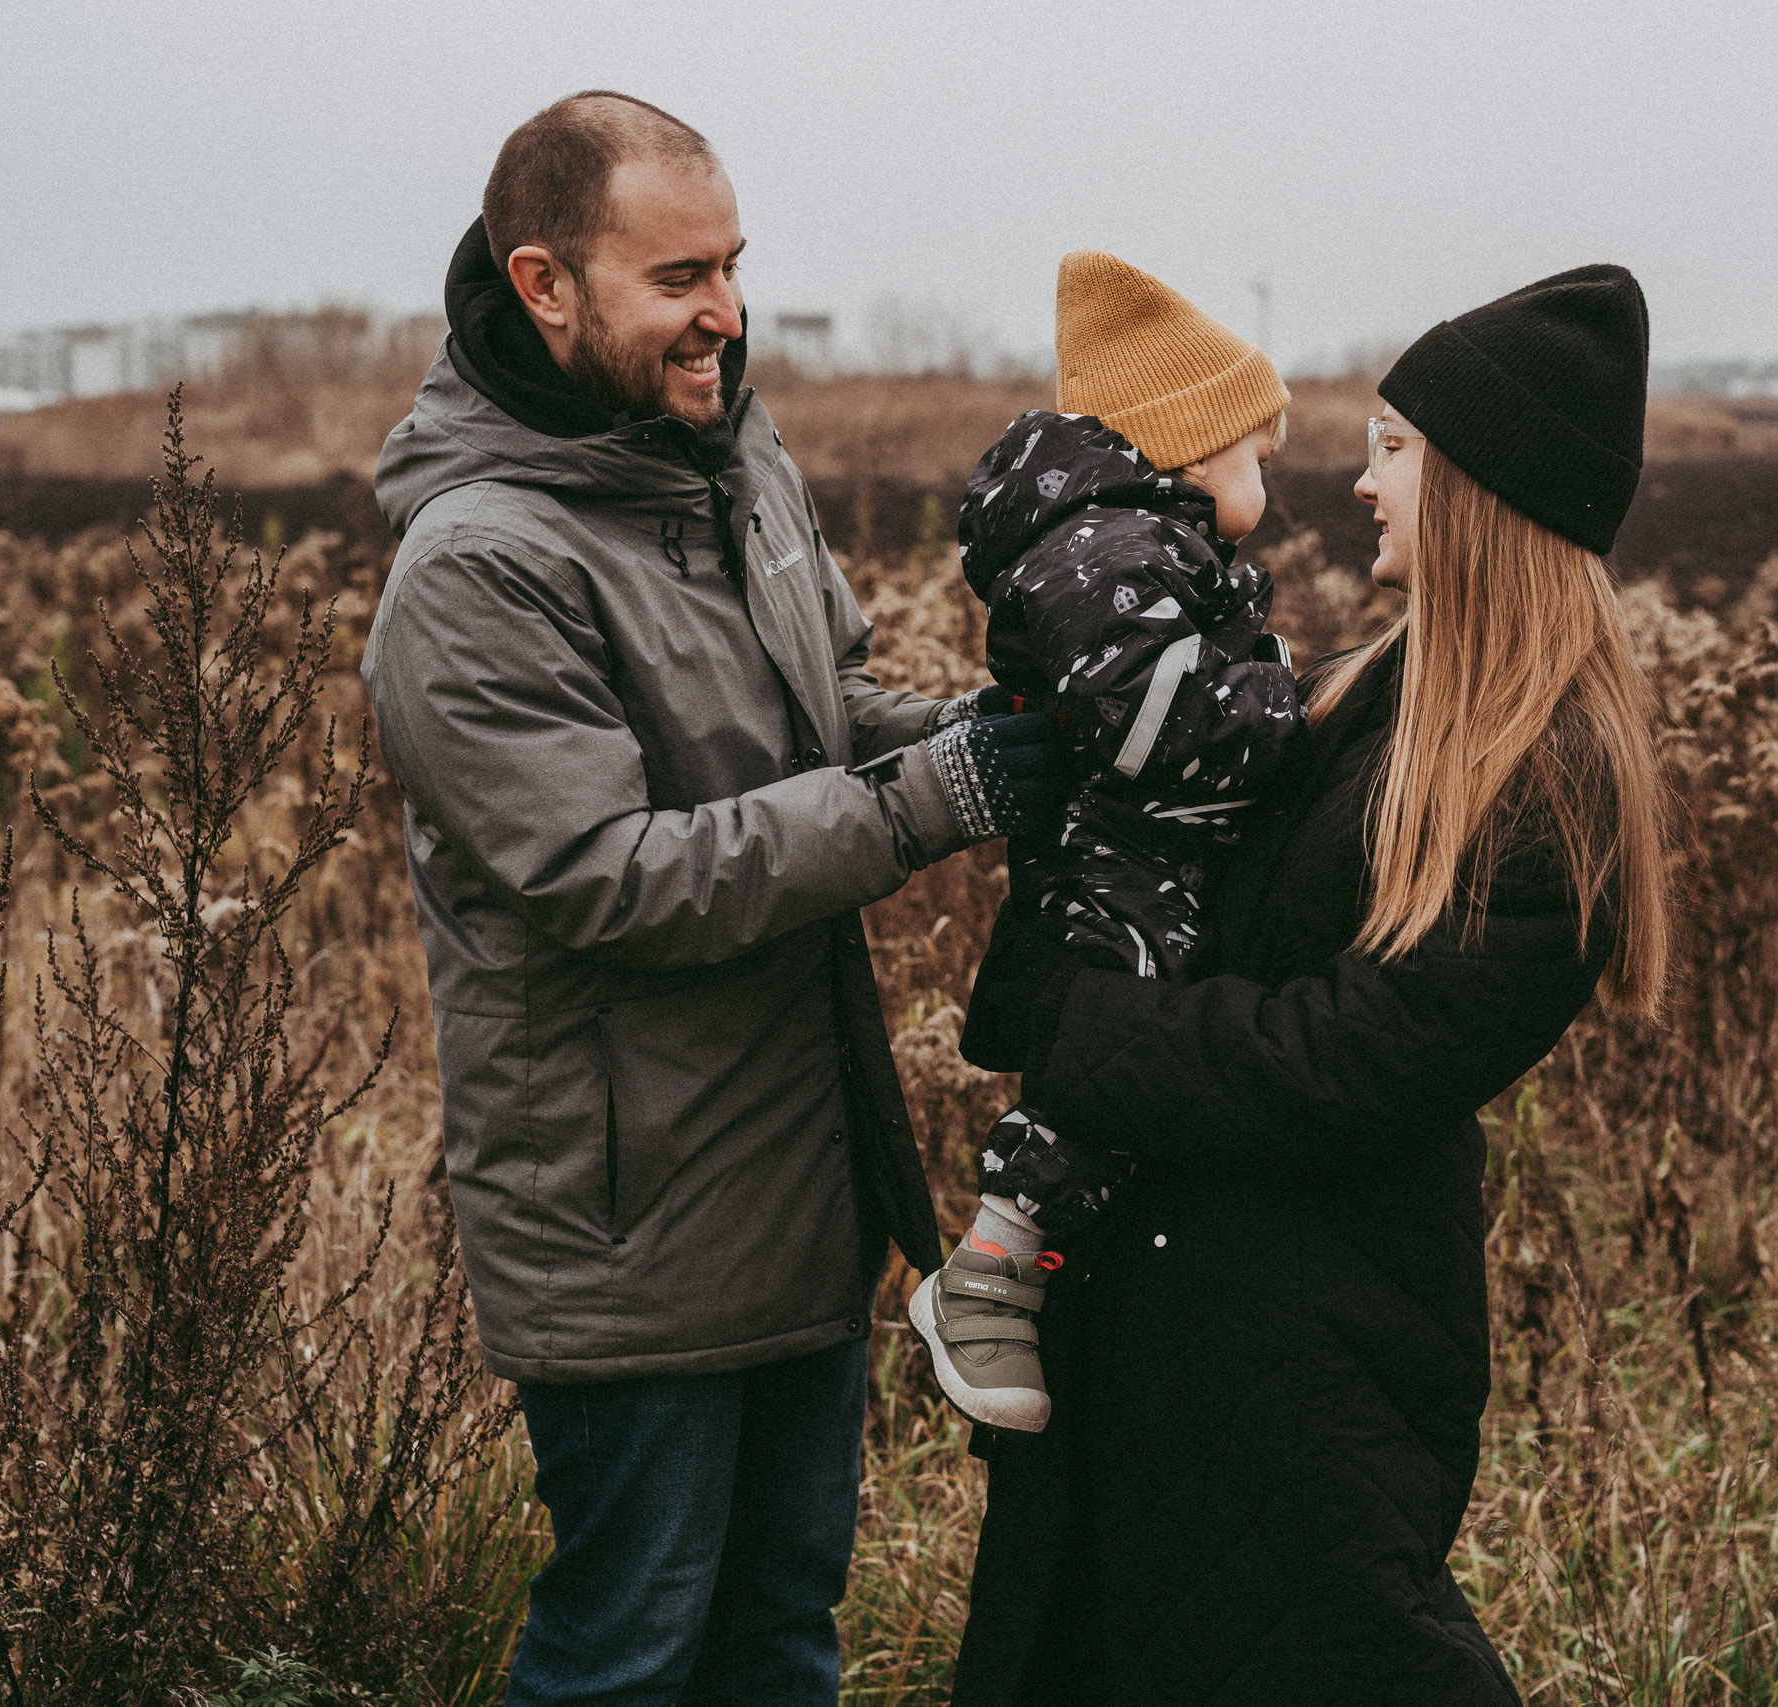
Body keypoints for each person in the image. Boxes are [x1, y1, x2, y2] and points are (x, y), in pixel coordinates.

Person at [358, 91, 1063, 1707]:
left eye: (734, 266)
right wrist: (931, 800)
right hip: (630, 1232)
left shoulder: (737, 460)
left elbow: (833, 712)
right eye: (679, 277)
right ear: (546, 286)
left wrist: (980, 736)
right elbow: (614, 877)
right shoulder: (475, 570)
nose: (726, 314)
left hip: (798, 1187)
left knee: (777, 1639)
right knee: (628, 1656)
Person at [949, 265, 1675, 1705]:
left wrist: (1076, 1022)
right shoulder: (1349, 696)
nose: (1358, 481)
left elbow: (1351, 1058)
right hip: (1165, 1327)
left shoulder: (1547, 780)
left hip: (1305, 1366)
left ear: (1482, 490)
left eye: (1394, 448)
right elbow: (1169, 886)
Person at [907, 251, 1304, 1435]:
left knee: (1138, 1076)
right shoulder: (1110, 553)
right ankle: (990, 1270)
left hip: (1136, 859)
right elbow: (1154, 724)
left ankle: (1032, 1275)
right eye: (1260, 459)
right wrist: (1290, 706)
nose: (1271, 486)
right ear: (1190, 445)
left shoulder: (1131, 547)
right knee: (1111, 1071)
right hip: (1116, 873)